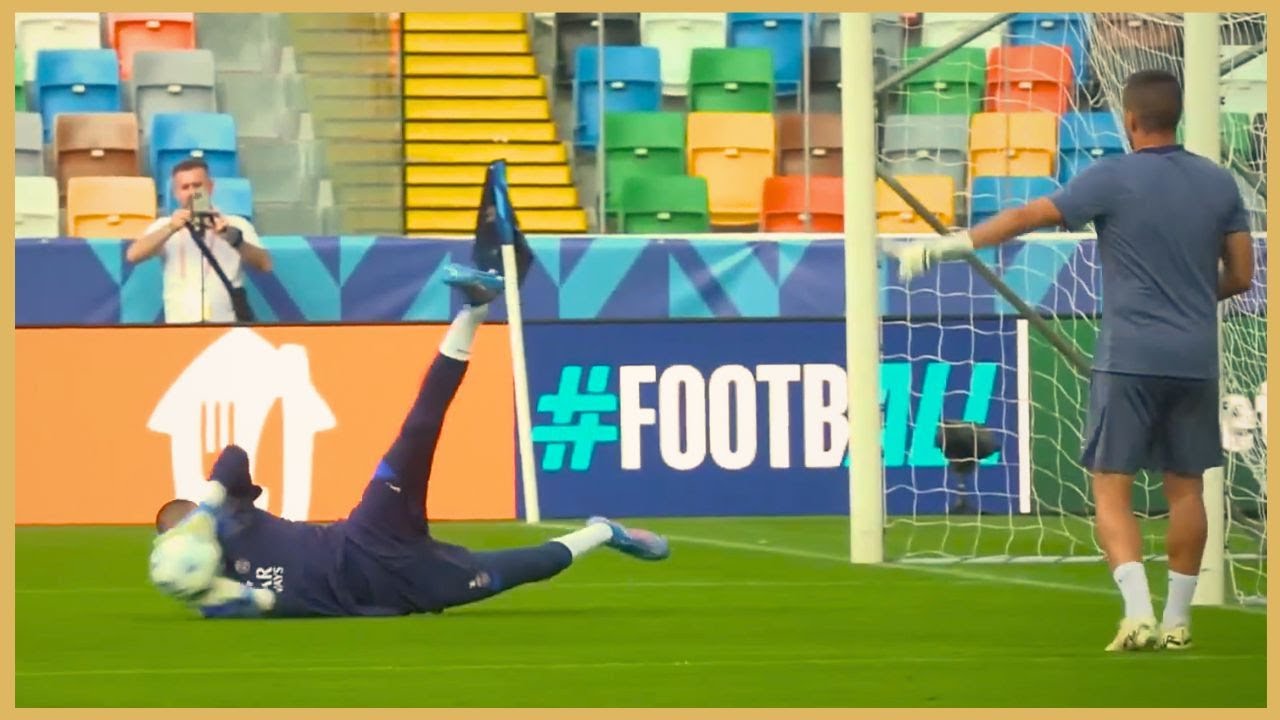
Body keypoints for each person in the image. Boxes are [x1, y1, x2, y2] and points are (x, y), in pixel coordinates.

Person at [890, 69, 1255, 652]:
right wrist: (1187, 294)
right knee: (1188, 490)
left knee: (1111, 487)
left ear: (1131, 120)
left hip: (1129, 355)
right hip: (1194, 357)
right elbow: (1241, 275)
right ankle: (1180, 622)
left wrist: (951, 244)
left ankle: (1138, 613)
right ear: (1177, 116)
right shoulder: (1218, 183)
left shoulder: (1112, 176)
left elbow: (1026, 216)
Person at [151, 262, 670, 619]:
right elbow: (280, 606)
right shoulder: (214, 595)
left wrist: (205, 510)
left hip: (369, 534)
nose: (182, 535)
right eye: (175, 533)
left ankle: (474, 308)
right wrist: (232, 596)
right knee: (525, 568)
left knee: (420, 429)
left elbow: (236, 455)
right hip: (404, 590)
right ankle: (604, 533)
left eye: (183, 525)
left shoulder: (227, 514)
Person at [126, 158, 274, 324]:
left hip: (225, 323)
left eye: (197, 186)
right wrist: (170, 228)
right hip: (180, 324)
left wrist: (232, 237)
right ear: (176, 193)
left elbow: (265, 264)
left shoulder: (236, 224)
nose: (191, 192)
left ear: (210, 187)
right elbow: (133, 255)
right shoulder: (164, 225)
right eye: (185, 187)